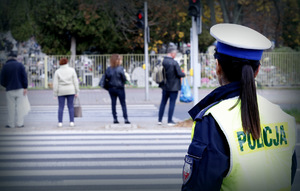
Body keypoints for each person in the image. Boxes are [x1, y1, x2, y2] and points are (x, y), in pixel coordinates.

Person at [182, 23, 297, 191]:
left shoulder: (213, 120)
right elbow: (289, 174)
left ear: (218, 67)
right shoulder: (282, 117)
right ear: (257, 71)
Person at [158, 47, 185, 126]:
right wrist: (184, 74)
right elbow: (179, 74)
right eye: (175, 54)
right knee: (172, 103)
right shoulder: (174, 63)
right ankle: (169, 120)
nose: (175, 55)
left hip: (164, 86)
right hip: (174, 87)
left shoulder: (162, 61)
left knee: (163, 102)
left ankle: (159, 120)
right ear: (172, 53)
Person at [0, 52, 28, 128]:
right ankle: (20, 123)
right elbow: (24, 77)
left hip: (9, 89)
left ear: (8, 58)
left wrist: (6, 85)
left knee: (10, 107)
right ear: (16, 58)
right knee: (20, 107)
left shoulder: (5, 66)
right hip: (20, 89)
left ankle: (11, 123)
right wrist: (25, 87)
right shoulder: (20, 65)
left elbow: (2, 80)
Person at [53, 58, 79, 127]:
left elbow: (55, 84)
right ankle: (71, 122)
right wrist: (77, 91)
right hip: (71, 90)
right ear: (67, 62)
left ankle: (60, 122)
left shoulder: (57, 71)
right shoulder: (72, 70)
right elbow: (75, 81)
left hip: (61, 91)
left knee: (61, 107)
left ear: (60, 63)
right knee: (70, 106)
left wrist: (55, 93)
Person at [105, 54, 130, 124]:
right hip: (120, 88)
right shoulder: (120, 68)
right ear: (117, 60)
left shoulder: (109, 69)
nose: (121, 61)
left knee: (113, 103)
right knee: (123, 103)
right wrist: (125, 81)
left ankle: (115, 119)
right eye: (120, 59)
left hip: (111, 88)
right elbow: (124, 78)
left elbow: (106, 77)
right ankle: (126, 118)